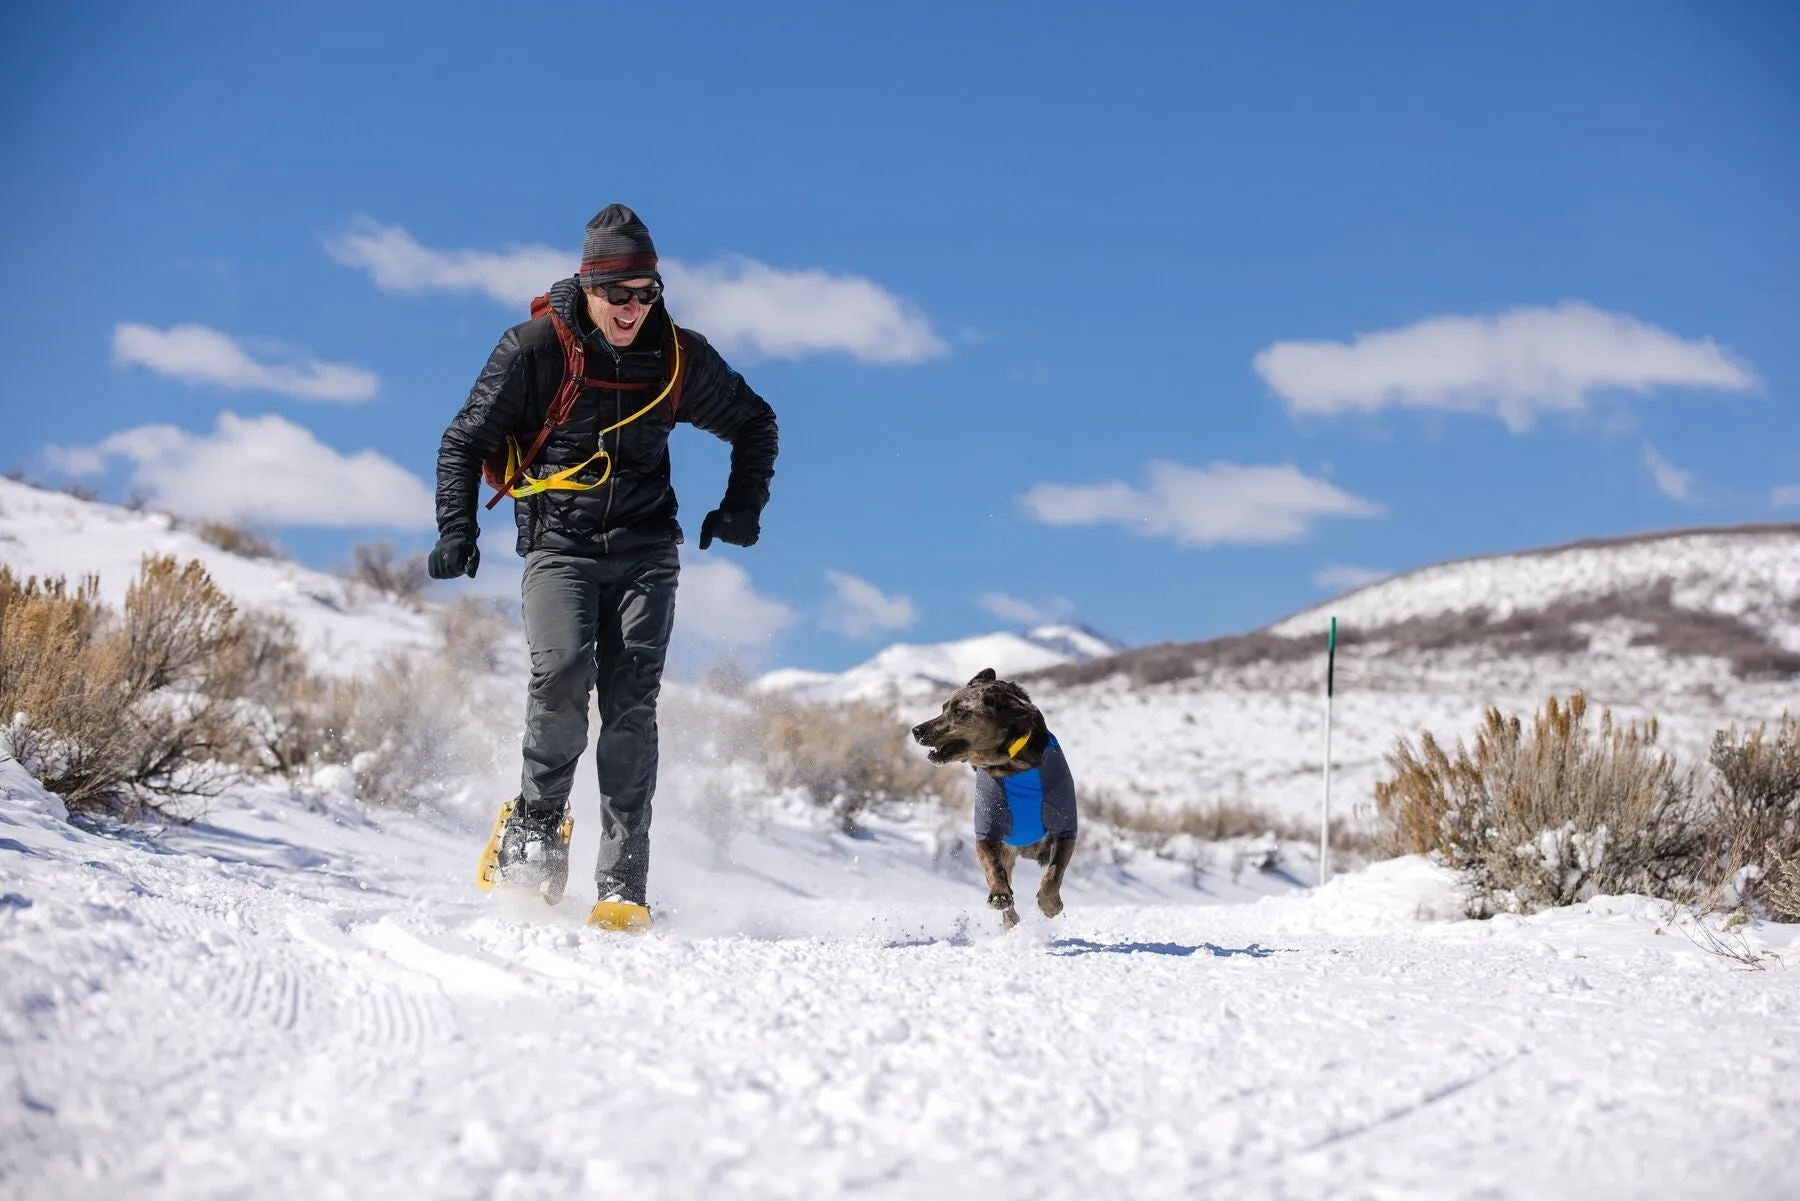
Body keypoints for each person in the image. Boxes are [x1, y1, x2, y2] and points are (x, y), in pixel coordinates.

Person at [430, 204, 778, 930]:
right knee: (562, 675)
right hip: (559, 544)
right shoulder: (535, 350)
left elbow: (755, 420)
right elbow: (463, 441)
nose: (632, 308)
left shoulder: (677, 356)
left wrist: (741, 505)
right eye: (618, 293)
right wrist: (457, 529)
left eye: (646, 292)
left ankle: (623, 882)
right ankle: (532, 834)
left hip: (648, 547)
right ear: (588, 286)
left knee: (630, 705)